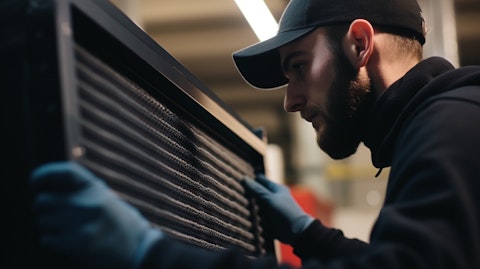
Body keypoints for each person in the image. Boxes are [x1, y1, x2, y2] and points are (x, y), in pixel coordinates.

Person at [29, 0, 480, 268]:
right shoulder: (444, 125)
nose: (291, 100)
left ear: (359, 44)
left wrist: (151, 252)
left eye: (299, 68)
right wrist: (306, 231)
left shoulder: (450, 131)